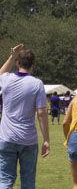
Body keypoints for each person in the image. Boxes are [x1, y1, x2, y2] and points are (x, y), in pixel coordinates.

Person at [0, 45, 50, 189]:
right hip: (28, 139)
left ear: (17, 63)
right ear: (33, 65)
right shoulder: (37, 84)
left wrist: (12, 56)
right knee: (28, 181)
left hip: (6, 137)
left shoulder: (6, 79)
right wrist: (46, 139)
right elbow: (41, 113)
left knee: (5, 180)